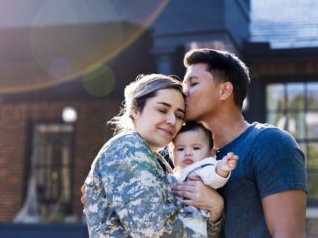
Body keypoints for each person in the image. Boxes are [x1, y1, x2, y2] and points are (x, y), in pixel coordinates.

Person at [172, 48, 308, 237]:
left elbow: (289, 234)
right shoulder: (180, 153)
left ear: (224, 91)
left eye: (192, 84)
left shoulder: (270, 143)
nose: (183, 93)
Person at [84, 74, 223, 237]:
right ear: (135, 109)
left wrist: (216, 208)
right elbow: (155, 231)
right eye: (162, 110)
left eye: (179, 115)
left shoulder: (156, 159)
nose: (172, 120)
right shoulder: (127, 147)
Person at [167, 121, 238, 237]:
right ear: (171, 154)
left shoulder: (203, 167)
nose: (188, 153)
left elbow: (213, 177)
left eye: (196, 148)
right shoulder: (176, 175)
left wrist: (222, 169)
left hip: (194, 228)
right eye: (180, 149)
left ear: (211, 153)